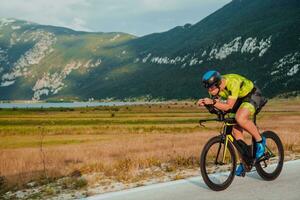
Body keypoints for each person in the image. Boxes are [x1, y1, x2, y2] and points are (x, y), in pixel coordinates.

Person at [197, 70, 267, 176]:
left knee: (240, 118)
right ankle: (245, 161)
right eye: (208, 88)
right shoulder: (213, 89)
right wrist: (206, 104)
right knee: (235, 130)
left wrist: (213, 102)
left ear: (218, 84)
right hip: (238, 100)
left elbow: (229, 106)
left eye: (211, 88)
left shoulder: (232, 82)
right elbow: (217, 107)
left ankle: (260, 141)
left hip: (252, 95)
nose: (210, 91)